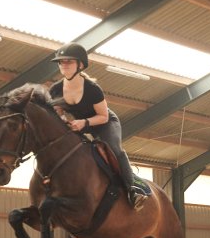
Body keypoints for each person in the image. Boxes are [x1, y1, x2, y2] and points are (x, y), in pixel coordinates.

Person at [49, 43, 147, 210]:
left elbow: (103, 116)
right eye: (61, 62)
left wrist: (84, 122)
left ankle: (132, 190)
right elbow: (58, 112)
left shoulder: (93, 89)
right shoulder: (56, 89)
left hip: (104, 123)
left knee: (115, 150)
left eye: (69, 62)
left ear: (80, 65)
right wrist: (64, 120)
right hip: (81, 125)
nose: (63, 65)